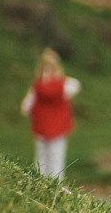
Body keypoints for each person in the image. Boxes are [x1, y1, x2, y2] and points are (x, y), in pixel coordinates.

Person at [18, 47, 80, 181]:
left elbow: (27, 105)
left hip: (42, 125)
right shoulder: (63, 85)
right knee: (56, 158)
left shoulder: (38, 86)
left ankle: (39, 181)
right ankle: (56, 184)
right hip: (59, 126)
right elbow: (76, 86)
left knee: (41, 157)